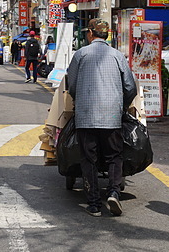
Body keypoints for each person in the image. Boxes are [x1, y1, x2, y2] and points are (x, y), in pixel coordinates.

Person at [67, 19, 136, 217]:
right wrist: (121, 105)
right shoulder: (117, 56)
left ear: (90, 33)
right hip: (112, 116)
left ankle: (94, 204)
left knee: (89, 159)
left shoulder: (80, 54)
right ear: (108, 34)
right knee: (114, 155)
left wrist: (79, 100)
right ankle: (114, 192)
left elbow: (72, 86)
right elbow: (130, 87)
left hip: (86, 116)